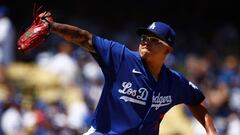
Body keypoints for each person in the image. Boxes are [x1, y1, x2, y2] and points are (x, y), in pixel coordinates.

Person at [46, 19, 218, 135]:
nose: (146, 41)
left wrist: (211, 132)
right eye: (145, 37)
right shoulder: (122, 57)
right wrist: (53, 27)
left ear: (168, 50)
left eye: (154, 39)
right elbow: (85, 38)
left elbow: (196, 101)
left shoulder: (174, 82)